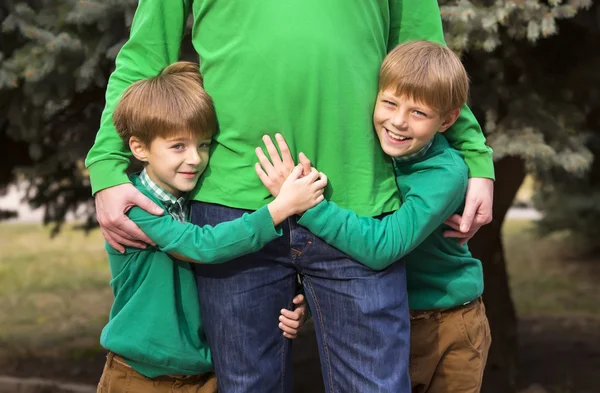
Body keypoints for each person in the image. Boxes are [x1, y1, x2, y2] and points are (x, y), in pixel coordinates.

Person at [86, 1, 495, 392]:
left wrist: (474, 156)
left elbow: (427, 60)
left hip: (358, 204)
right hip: (234, 204)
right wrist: (106, 167)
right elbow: (144, 55)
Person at [256, 41, 491, 393]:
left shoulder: (444, 174)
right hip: (390, 315)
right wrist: (307, 290)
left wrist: (305, 205)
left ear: (448, 120)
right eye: (390, 103)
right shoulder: (373, 154)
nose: (398, 121)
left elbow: (384, 245)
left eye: (419, 113)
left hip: (449, 322)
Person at [96, 62, 323, 393]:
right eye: (178, 146)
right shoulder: (134, 207)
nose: (195, 159)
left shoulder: (194, 201)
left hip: (203, 375)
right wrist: (280, 208)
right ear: (139, 148)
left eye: (203, 145)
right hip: (139, 377)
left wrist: (296, 299)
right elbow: (200, 246)